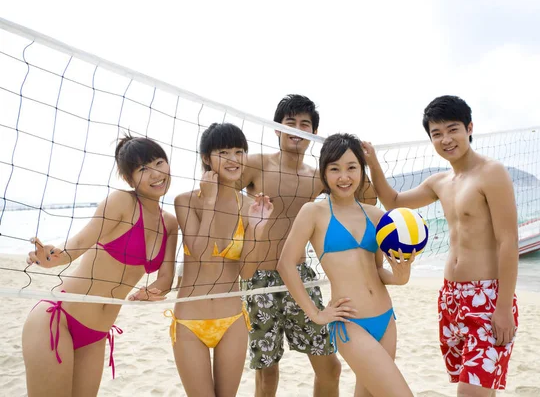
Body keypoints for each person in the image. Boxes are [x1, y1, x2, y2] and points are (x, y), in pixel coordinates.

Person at [363, 95, 519, 396]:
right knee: (476, 388)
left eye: (453, 129)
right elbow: (393, 202)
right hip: (451, 297)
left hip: (487, 298)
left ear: (469, 127)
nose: (446, 139)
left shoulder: (492, 173)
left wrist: (503, 308)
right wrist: (372, 163)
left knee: (472, 391)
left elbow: (508, 241)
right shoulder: (441, 182)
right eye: (437, 133)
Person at [239, 94, 376, 397]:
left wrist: (362, 163)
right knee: (267, 371)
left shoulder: (317, 177)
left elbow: (365, 201)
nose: (297, 129)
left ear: (313, 133)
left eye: (305, 125)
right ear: (277, 128)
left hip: (299, 274)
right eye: (291, 123)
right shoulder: (255, 165)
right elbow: (220, 195)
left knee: (330, 367)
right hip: (258, 279)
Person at [23, 135, 178, 396]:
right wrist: (50, 259)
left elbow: (166, 279)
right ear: (129, 179)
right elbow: (79, 244)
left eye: (159, 163)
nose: (155, 174)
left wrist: (151, 292)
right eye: (143, 169)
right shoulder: (122, 202)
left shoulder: (170, 223)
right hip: (58, 318)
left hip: (95, 335)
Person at [278, 133, 414, 397]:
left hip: (386, 319)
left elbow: (377, 271)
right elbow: (285, 265)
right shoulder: (313, 212)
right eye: (335, 169)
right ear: (324, 173)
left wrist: (401, 275)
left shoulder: (375, 215)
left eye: (352, 167)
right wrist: (316, 314)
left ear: (361, 171)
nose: (344, 177)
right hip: (350, 323)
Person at [168, 123, 273, 397]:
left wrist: (255, 229)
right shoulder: (185, 201)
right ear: (206, 158)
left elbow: (248, 272)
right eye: (224, 152)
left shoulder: (247, 205)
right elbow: (201, 253)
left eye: (239, 152)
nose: (233, 159)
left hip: (233, 320)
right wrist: (211, 201)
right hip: (190, 322)